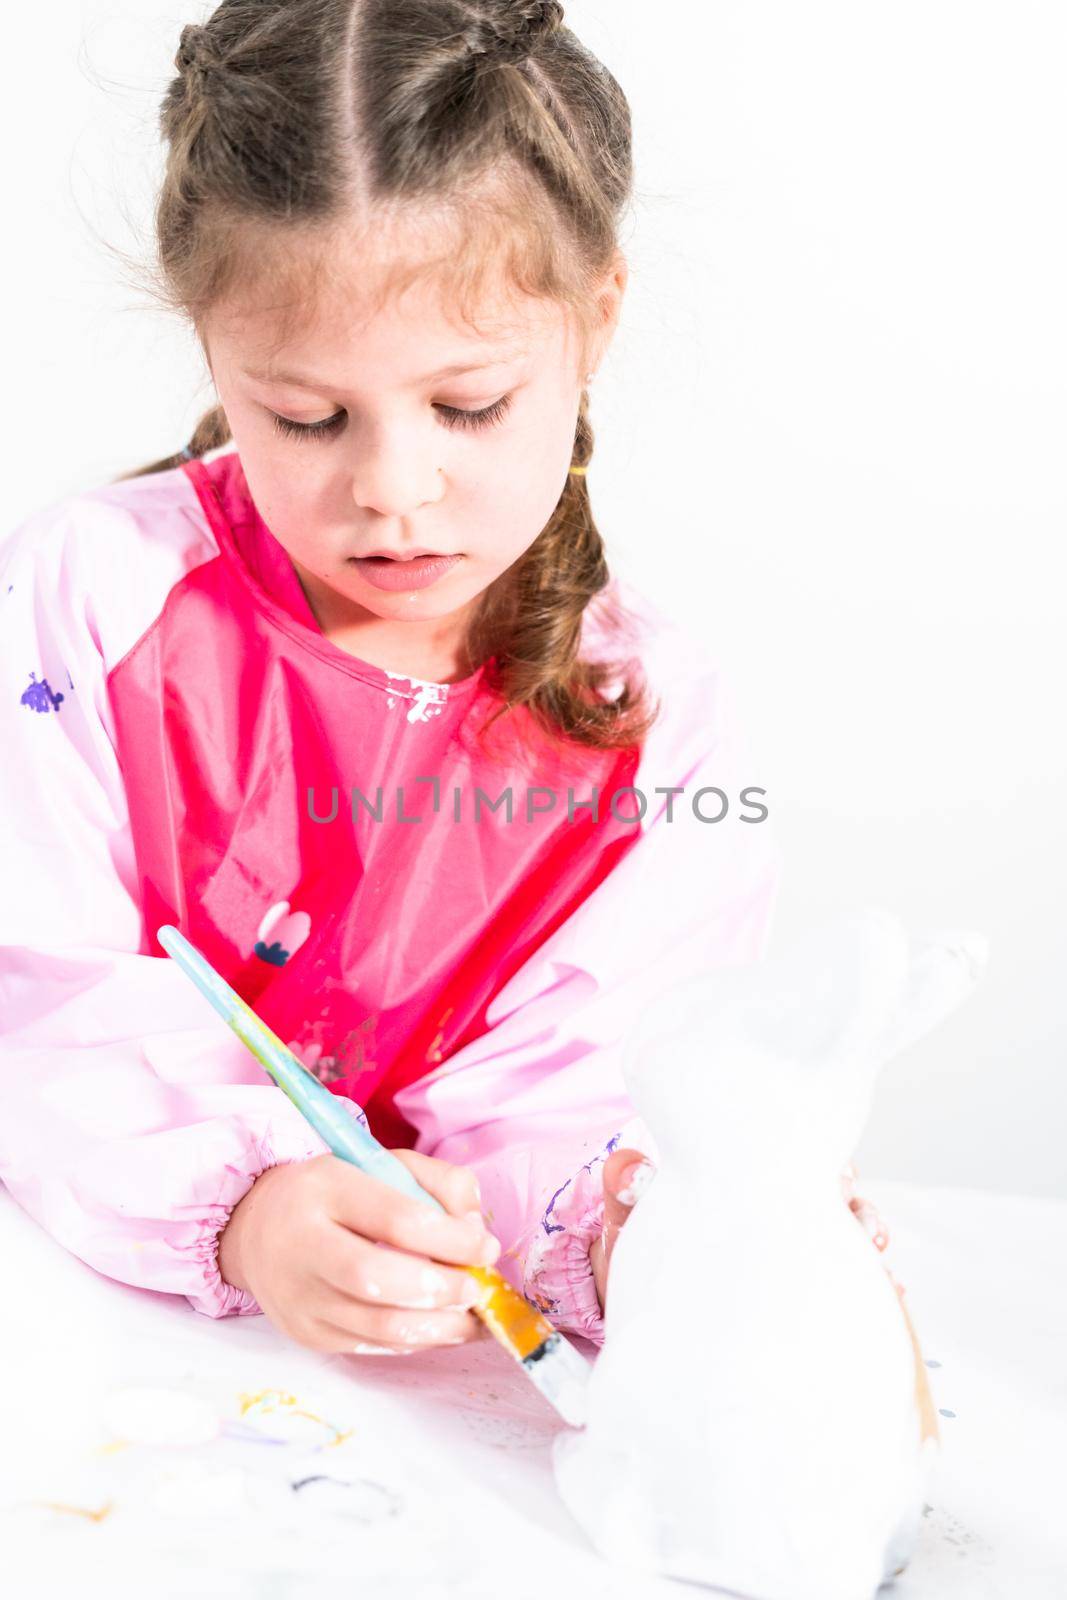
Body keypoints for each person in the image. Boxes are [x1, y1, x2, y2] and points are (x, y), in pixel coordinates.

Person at [0, 0, 902, 1383]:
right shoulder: (89, 604)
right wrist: (242, 1210)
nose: (392, 491)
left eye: (468, 404)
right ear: (212, 348)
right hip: (94, 1352)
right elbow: (40, 998)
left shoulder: (644, 734)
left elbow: (596, 1090)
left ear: (595, 317)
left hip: (437, 1414)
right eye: (307, 417)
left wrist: (645, 1229)